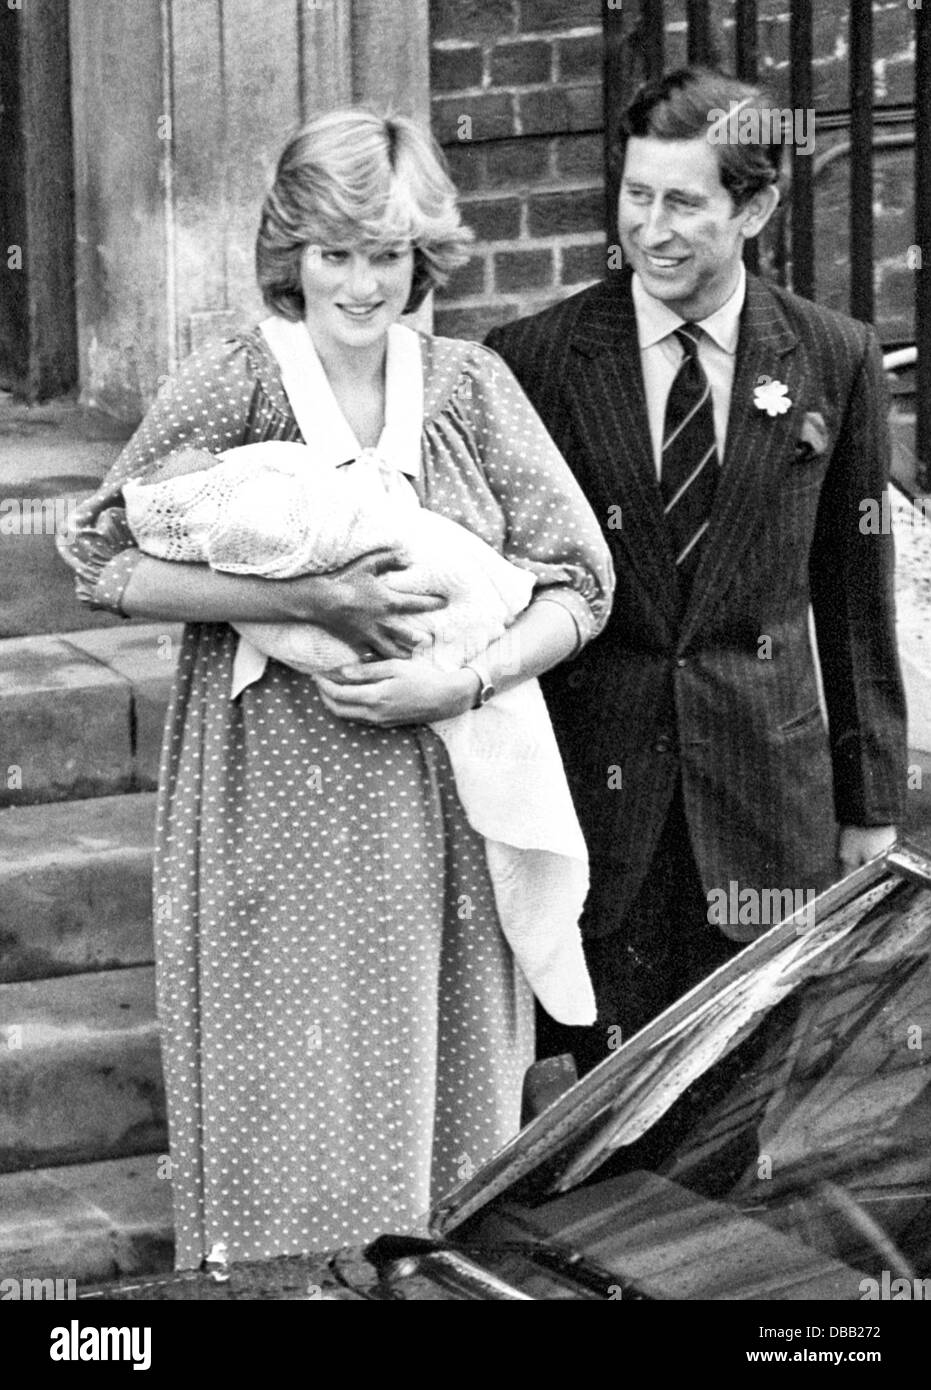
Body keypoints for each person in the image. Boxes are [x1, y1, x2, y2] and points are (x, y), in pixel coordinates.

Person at [57, 108, 613, 1267]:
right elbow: (102, 558)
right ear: (290, 254)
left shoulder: (469, 386)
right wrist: (305, 603)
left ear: (424, 258)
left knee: (442, 1093)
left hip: (442, 801)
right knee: (289, 1085)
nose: (361, 283)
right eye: (334, 252)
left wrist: (463, 678)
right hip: (273, 794)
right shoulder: (239, 383)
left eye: (387, 253)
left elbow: (578, 583)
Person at [486, 67, 907, 1071]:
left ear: (753, 205)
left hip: (766, 805)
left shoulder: (832, 357)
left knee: (743, 1102)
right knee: (595, 1109)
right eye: (638, 197)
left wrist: (870, 802)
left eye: (684, 202)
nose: (654, 229)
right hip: (596, 804)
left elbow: (854, 598)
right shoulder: (535, 359)